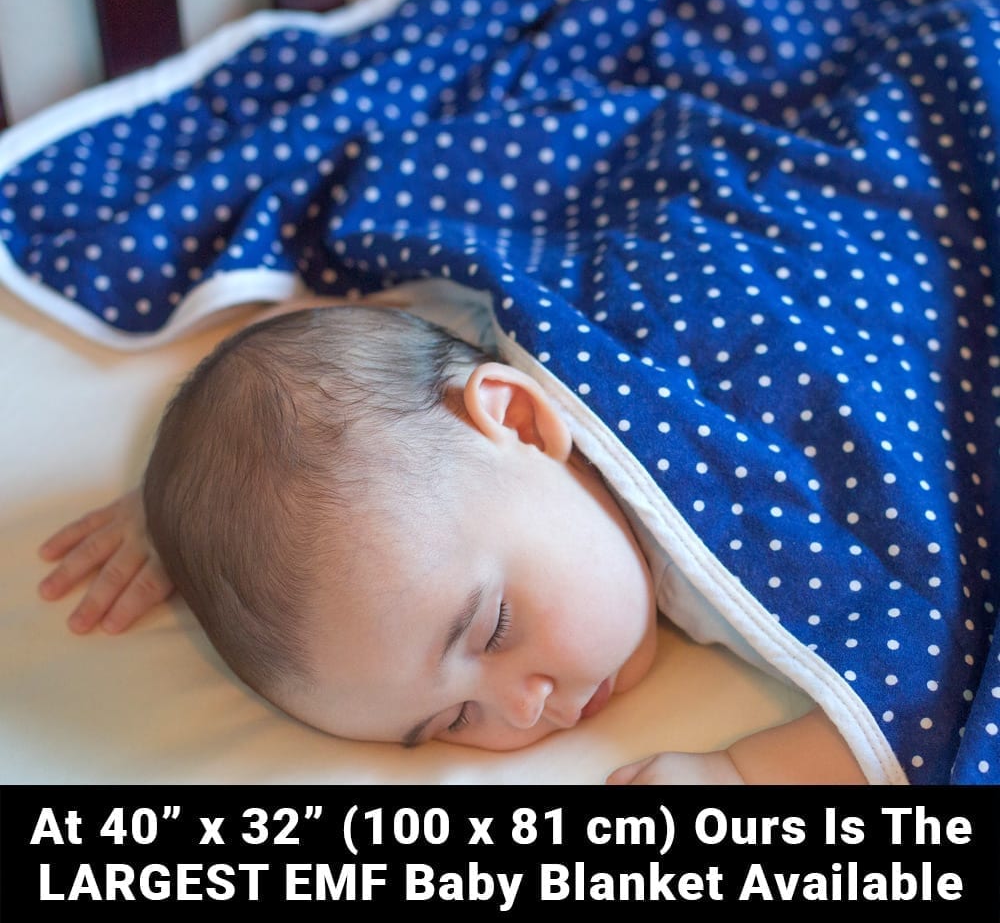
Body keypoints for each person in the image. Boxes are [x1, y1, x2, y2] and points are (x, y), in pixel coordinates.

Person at [37, 303, 865, 784]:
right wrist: (195, 503)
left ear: (517, 418)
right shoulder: (476, 462)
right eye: (452, 721)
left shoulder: (743, 527)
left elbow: (939, 667)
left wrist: (753, 777)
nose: (523, 707)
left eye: (494, 628)